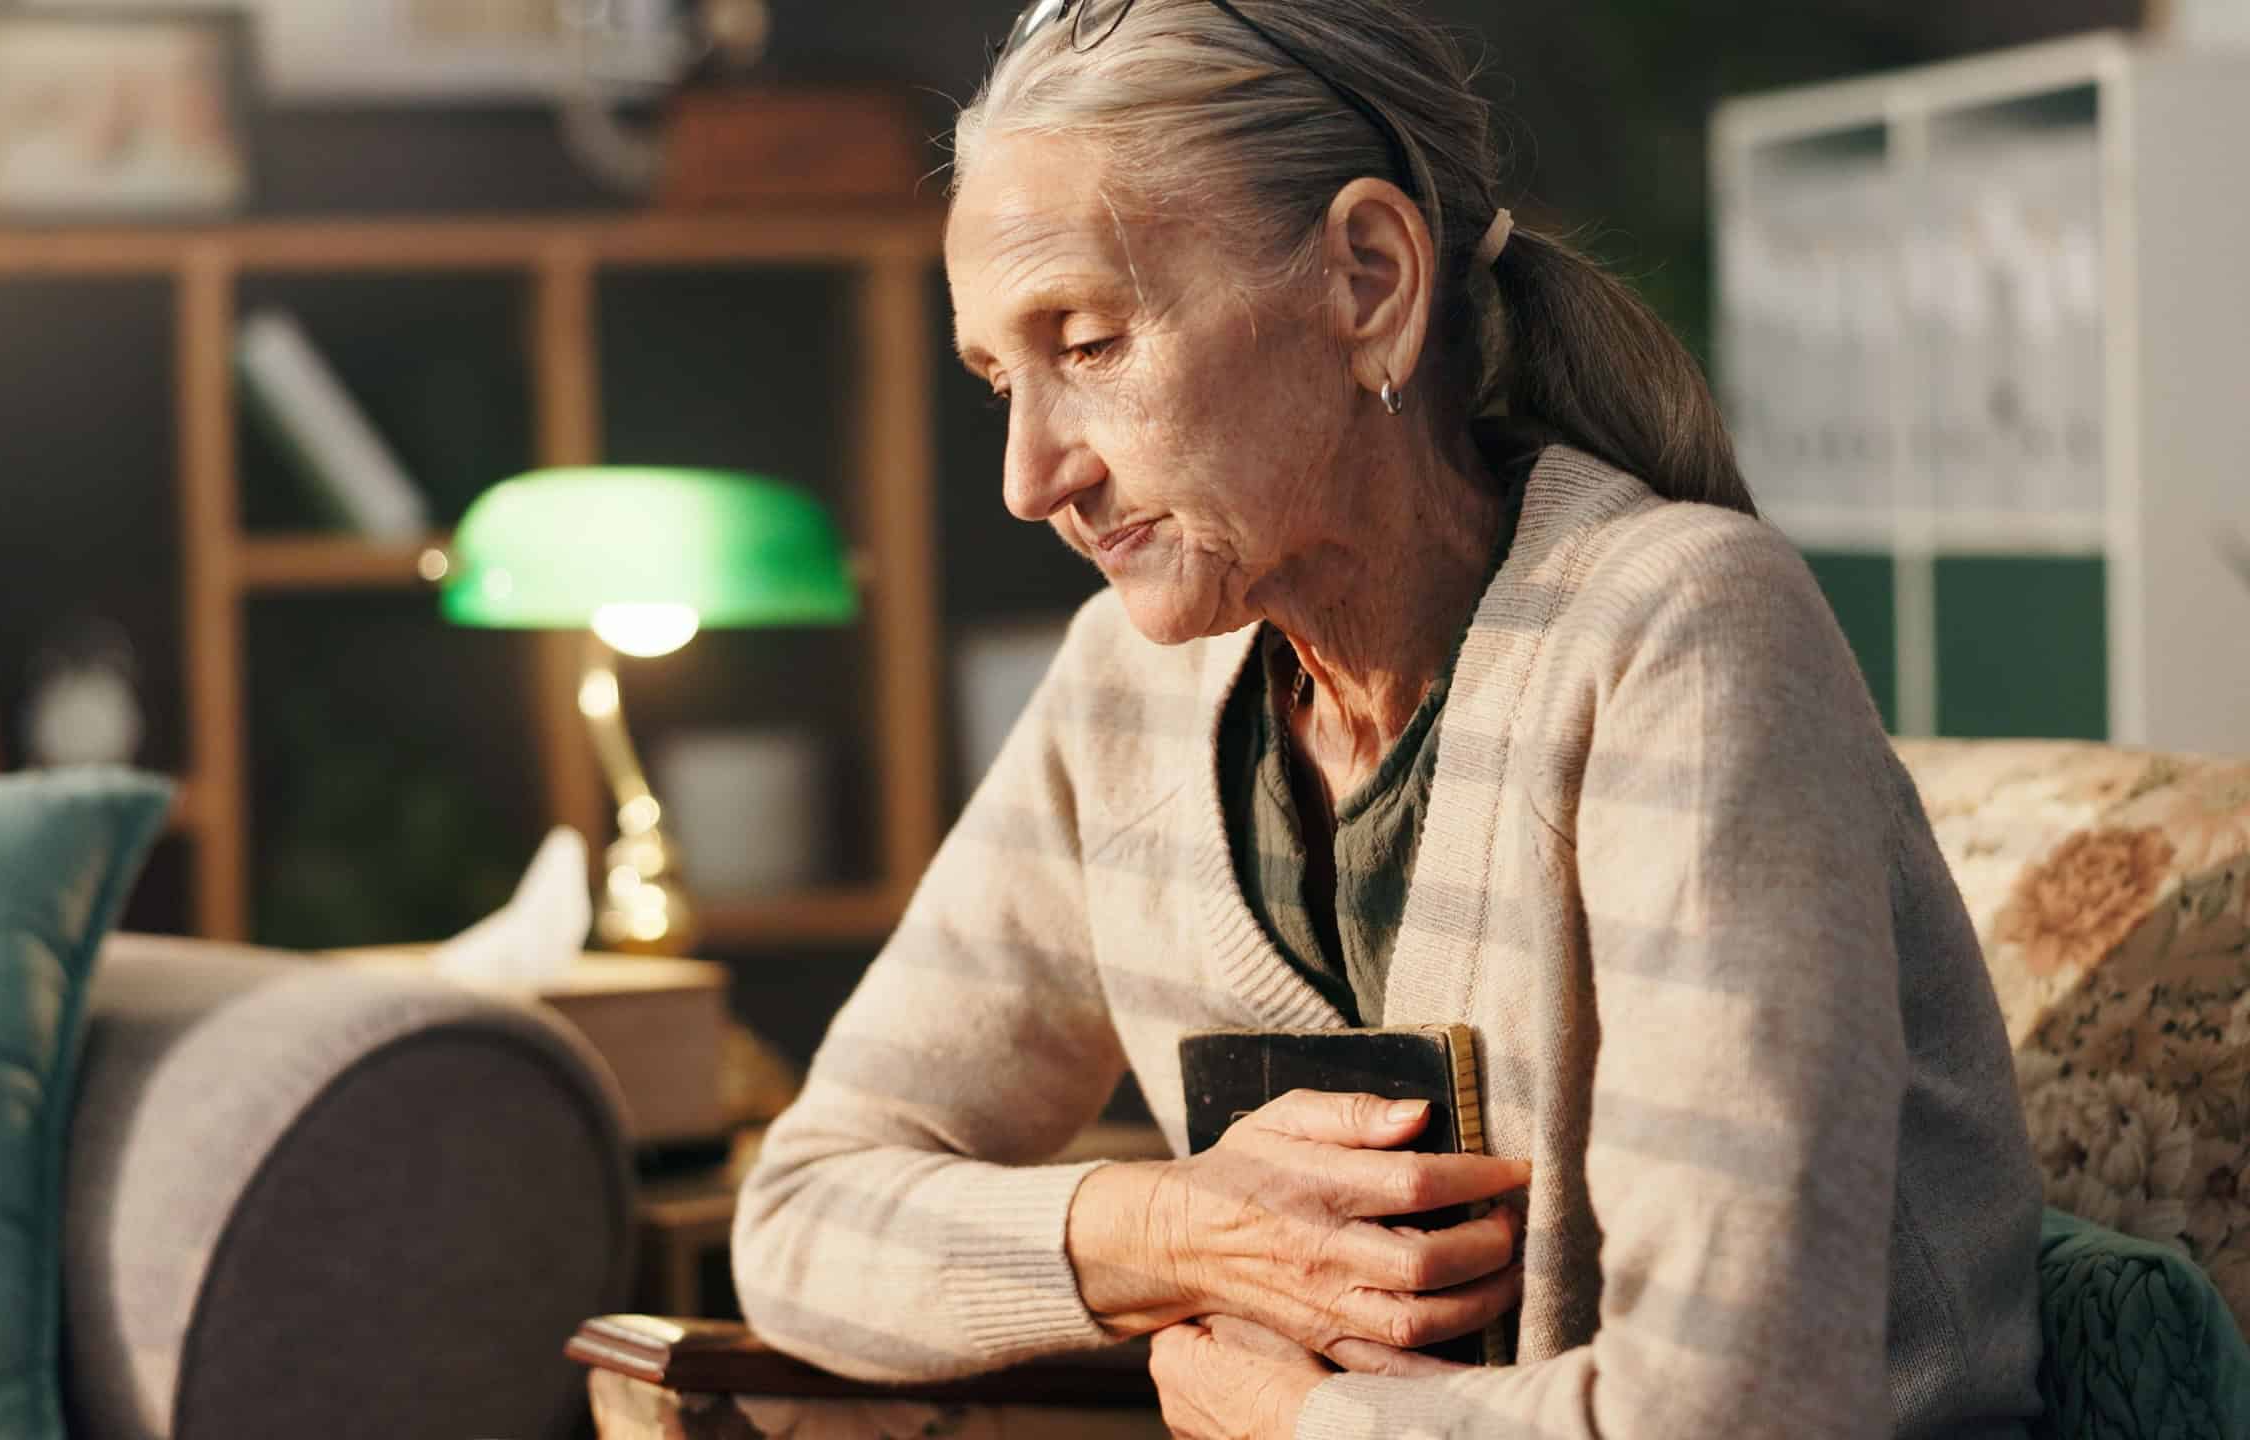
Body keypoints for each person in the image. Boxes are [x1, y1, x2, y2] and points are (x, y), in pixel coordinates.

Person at [729, 1, 2044, 1435]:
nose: (1029, 478)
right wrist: (1177, 1229)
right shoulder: (1125, 694)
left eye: (1091, 345)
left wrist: (1296, 1422)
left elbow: (1743, 1408)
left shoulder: (1680, 639)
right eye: (999, 380)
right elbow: (800, 1218)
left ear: (1367, 280)